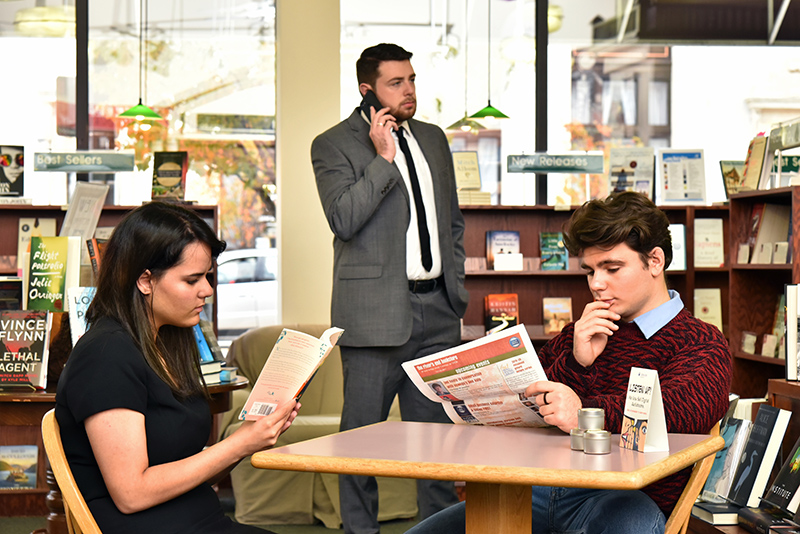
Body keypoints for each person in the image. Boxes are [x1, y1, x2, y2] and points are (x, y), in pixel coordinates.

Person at [407, 191, 733, 534]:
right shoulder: (578, 332)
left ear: (655, 261)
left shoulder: (701, 343)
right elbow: (533, 397)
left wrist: (583, 412)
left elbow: (677, 415)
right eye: (590, 271)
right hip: (539, 485)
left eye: (612, 268)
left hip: (625, 496)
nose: (597, 284)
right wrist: (577, 363)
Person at [55, 202, 299, 534]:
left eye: (208, 277)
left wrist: (252, 439)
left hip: (201, 523)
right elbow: (131, 493)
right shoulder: (106, 354)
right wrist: (239, 443)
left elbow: (188, 472)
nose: (207, 291)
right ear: (145, 281)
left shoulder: (166, 344)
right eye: (192, 279)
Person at [311, 43, 468, 534]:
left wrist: (454, 284)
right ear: (367, 90)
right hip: (373, 318)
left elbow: (452, 222)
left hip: (439, 313)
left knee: (437, 453)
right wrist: (384, 158)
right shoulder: (332, 144)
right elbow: (344, 219)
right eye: (396, 83)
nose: (409, 91)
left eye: (413, 80)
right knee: (359, 449)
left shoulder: (435, 139)